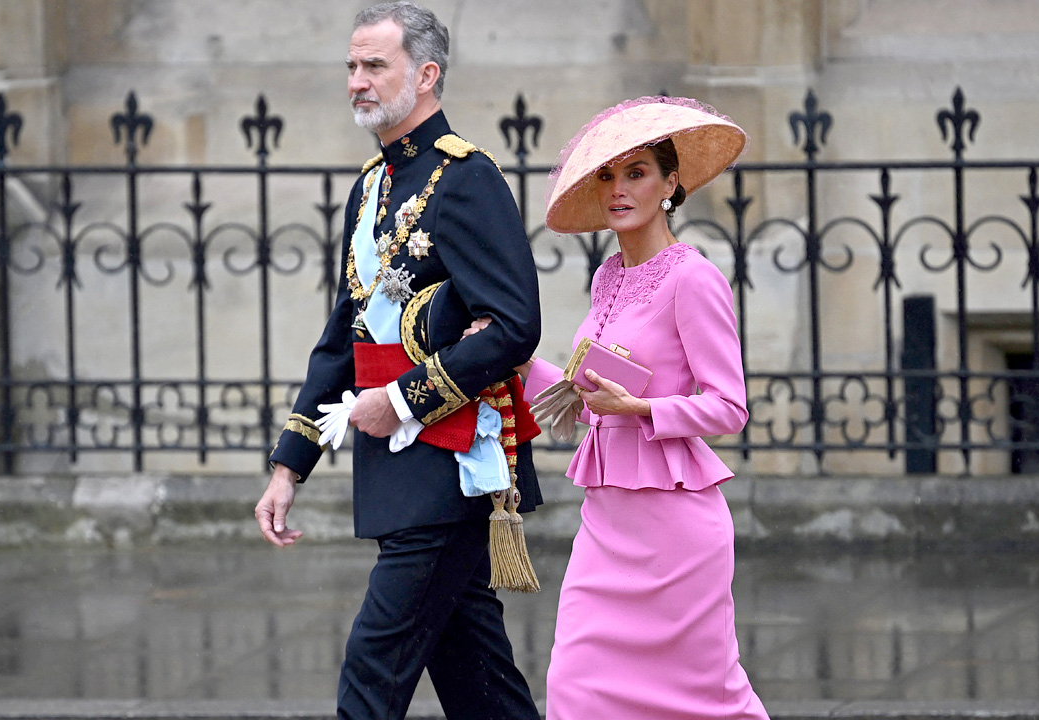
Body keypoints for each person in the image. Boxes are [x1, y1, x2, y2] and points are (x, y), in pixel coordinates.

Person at [253, 3, 543, 719]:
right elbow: (342, 343)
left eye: (374, 65)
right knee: (477, 680)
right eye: (352, 66)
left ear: (426, 74)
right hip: (396, 465)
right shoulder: (371, 186)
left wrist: (406, 399)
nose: (356, 80)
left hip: (448, 463)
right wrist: (289, 465)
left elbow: (514, 326)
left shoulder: (467, 179)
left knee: (372, 668)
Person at [525, 96, 768, 719]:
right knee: (574, 690)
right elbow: (591, 403)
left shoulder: (694, 277)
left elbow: (728, 407)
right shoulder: (606, 277)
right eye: (607, 175)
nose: (618, 188)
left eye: (636, 173)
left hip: (676, 534)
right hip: (606, 528)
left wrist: (642, 407)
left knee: (709, 701)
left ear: (671, 183)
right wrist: (516, 361)